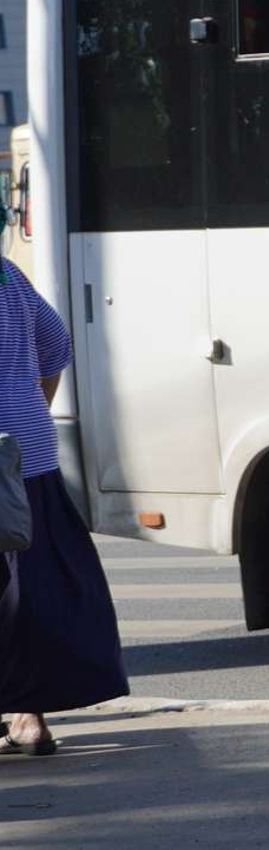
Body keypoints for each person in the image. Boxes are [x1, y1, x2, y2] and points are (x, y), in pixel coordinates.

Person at [0, 256, 129, 755]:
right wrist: (30, 407)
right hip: (28, 454)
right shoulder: (9, 274)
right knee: (30, 587)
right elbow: (57, 346)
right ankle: (29, 717)